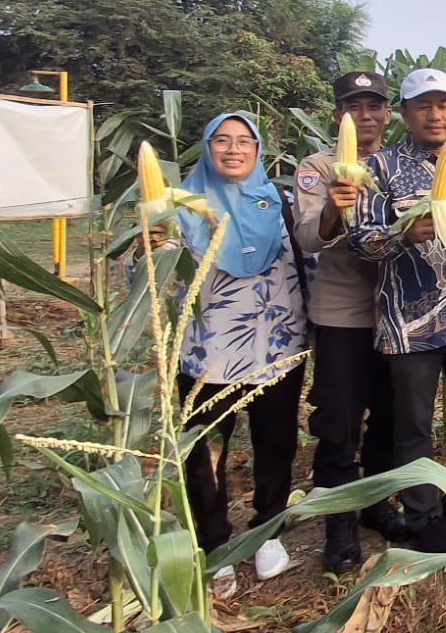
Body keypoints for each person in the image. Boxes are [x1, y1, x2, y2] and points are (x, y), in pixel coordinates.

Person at [149, 113, 308, 599]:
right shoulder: (178, 207)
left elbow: (311, 259)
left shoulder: (281, 201)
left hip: (277, 344)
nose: (234, 149)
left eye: (244, 141)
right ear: (207, 148)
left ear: (258, 150)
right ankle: (213, 541)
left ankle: (268, 530)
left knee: (276, 442)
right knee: (205, 450)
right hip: (206, 351)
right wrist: (147, 247)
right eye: (222, 140)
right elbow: (153, 274)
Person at [350, 68, 446, 554]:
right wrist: (402, 234)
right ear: (404, 113)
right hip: (409, 323)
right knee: (414, 424)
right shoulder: (379, 168)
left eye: (443, 105)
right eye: (423, 105)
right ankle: (423, 517)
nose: (434, 115)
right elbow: (360, 241)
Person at [292, 71, 405, 572]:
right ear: (338, 114)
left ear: (387, 114)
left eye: (374, 106)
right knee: (339, 421)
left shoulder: (396, 166)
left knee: (389, 417)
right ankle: (339, 525)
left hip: (396, 312)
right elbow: (307, 238)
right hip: (342, 314)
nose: (365, 115)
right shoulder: (317, 167)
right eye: (354, 106)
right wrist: (334, 211)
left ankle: (375, 505)